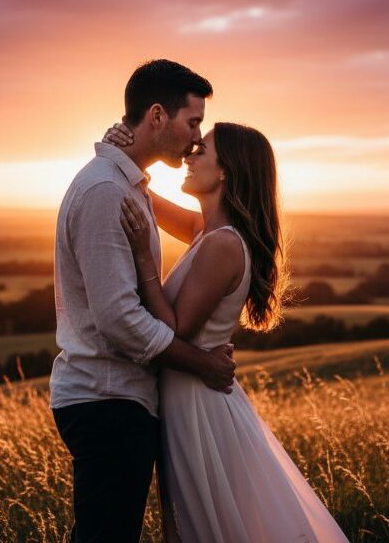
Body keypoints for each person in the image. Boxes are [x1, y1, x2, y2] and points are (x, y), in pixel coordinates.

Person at [104, 121, 350, 542]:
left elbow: (175, 330)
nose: (189, 155)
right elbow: (142, 199)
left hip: (195, 402)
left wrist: (147, 262)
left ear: (225, 172)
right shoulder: (209, 233)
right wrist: (123, 157)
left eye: (202, 150)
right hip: (189, 393)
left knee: (197, 525)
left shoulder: (222, 244)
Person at [49, 59, 237, 543]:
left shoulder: (121, 187)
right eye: (192, 122)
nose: (196, 138)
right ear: (157, 115)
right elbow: (119, 321)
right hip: (107, 399)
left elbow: (199, 230)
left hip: (119, 400)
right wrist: (201, 362)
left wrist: (131, 162)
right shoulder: (106, 192)